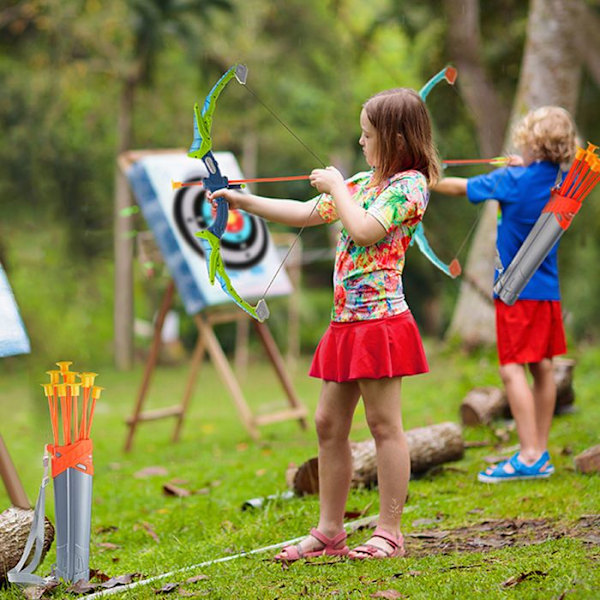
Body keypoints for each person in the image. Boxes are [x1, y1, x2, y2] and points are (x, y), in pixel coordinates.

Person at [208, 88, 439, 560]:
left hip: (380, 322)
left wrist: (337, 188)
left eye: (367, 134)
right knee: (328, 422)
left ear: (395, 139)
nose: (360, 141)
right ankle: (330, 530)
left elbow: (364, 229)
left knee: (383, 425)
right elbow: (304, 213)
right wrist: (242, 201)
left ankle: (389, 532)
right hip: (345, 323)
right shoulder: (361, 182)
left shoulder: (410, 187)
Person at [432, 106, 577, 483]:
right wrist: (522, 166)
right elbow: (532, 179)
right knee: (542, 366)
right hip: (547, 292)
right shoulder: (560, 180)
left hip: (517, 292)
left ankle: (529, 455)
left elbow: (457, 187)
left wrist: (423, 178)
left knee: (511, 368)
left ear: (532, 143)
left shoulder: (512, 180)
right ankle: (538, 450)